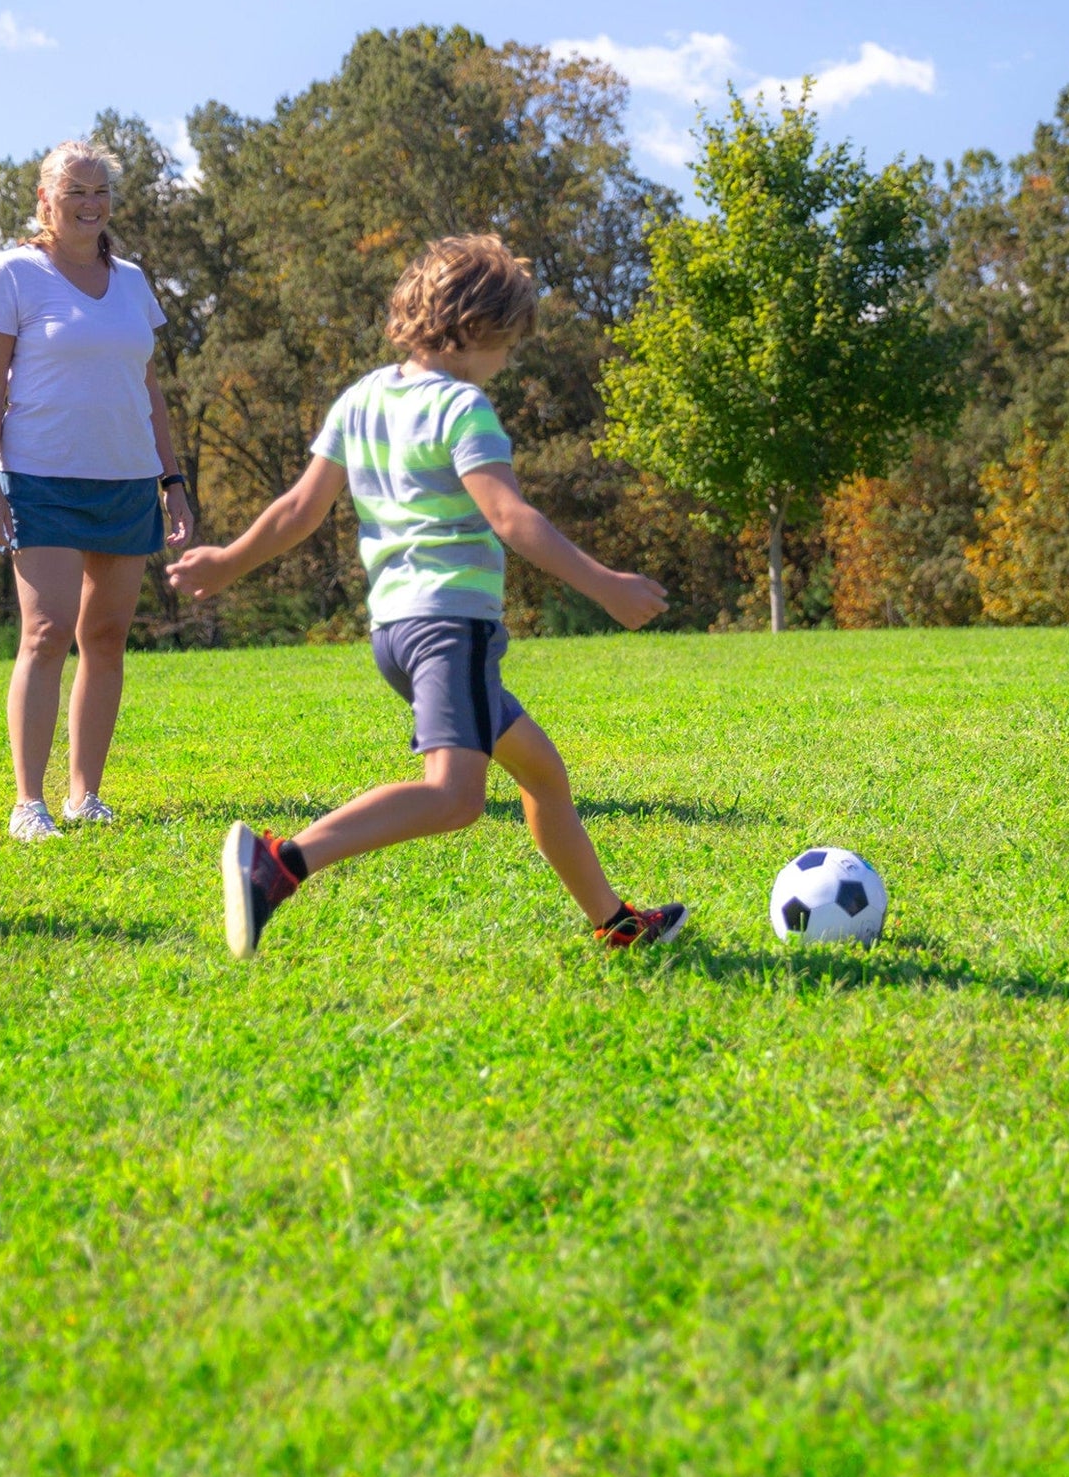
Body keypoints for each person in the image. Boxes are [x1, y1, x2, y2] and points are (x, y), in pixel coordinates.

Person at [166, 233, 688, 960]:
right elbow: (511, 518)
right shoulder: (463, 409)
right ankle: (281, 862)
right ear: (475, 331)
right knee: (455, 796)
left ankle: (614, 921)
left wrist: (227, 562)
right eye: (506, 346)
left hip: (397, 630)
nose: (504, 364)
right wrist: (606, 585)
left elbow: (298, 511)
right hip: (451, 627)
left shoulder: (363, 399)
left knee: (541, 771)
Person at [0, 140, 193, 841]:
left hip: (126, 478)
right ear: (46, 201)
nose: (90, 204)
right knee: (45, 632)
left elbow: (148, 387)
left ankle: (84, 796)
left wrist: (173, 481)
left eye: (100, 192)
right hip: (42, 478)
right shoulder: (13, 273)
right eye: (76, 193)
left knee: (106, 635)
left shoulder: (131, 279)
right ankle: (28, 804)